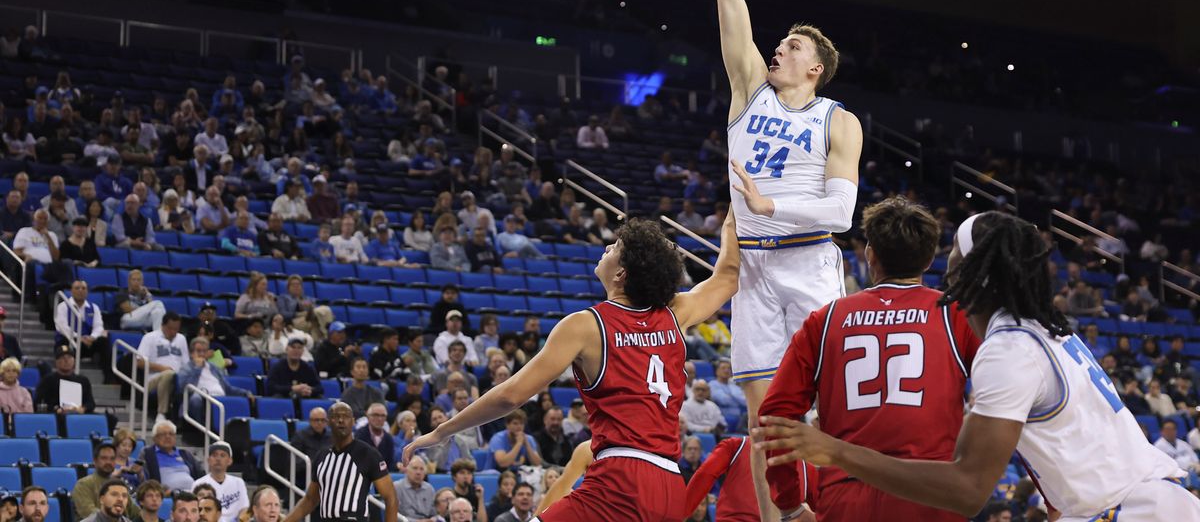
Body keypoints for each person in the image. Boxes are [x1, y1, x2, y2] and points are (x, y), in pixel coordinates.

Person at [753, 211, 1200, 522]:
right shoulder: (1046, 329)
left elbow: (968, 489)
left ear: (974, 278)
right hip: (1140, 500)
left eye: (952, 271)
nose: (944, 284)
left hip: (1124, 509)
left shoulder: (1009, 349)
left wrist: (833, 453)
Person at [696, 0, 862, 521]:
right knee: (765, 421)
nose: (778, 51)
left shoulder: (837, 119)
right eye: (781, 43)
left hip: (815, 260)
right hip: (759, 272)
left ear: (814, 68)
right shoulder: (747, 94)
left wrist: (771, 206)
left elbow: (845, 212)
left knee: (833, 414)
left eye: (791, 47)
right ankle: (783, 519)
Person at [405, 215, 742, 522]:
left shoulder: (585, 326)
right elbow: (727, 277)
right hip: (670, 483)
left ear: (622, 274)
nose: (608, 246)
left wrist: (442, 431)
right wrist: (733, 214)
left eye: (616, 247)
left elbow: (511, 396)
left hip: (620, 480)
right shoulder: (675, 313)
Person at [751, 197, 980, 521]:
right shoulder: (955, 315)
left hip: (847, 494)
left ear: (870, 255)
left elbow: (774, 415)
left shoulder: (825, 319)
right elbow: (1006, 392)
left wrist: (789, 504)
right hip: (929, 492)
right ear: (930, 260)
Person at [280, 402, 399, 522]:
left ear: (353, 421)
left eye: (346, 416)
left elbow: (391, 497)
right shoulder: (322, 456)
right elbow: (310, 499)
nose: (341, 420)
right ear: (329, 422)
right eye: (336, 416)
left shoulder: (368, 454)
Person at [684, 437, 817, 522]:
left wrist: (680, 514)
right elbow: (828, 513)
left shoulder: (736, 445)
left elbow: (704, 476)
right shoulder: (806, 469)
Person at [176, 338, 253, 423]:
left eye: (204, 351)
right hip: (202, 398)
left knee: (242, 401)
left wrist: (245, 393)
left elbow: (227, 388)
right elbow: (184, 389)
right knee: (195, 399)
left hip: (220, 398)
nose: (201, 354)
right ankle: (202, 429)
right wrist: (197, 368)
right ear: (191, 353)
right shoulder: (186, 368)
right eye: (198, 351)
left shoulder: (214, 367)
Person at [137, 312, 187, 425]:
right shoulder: (150, 337)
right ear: (162, 325)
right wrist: (162, 368)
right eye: (170, 329)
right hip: (153, 380)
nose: (173, 332)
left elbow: (186, 363)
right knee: (168, 374)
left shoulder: (181, 339)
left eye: (176, 329)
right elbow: (139, 362)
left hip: (178, 378)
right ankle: (162, 413)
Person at [192, 442, 249, 522]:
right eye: (214, 455)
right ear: (208, 460)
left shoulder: (238, 482)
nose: (218, 459)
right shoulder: (198, 484)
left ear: (230, 461)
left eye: (222, 455)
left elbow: (245, 509)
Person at [143, 420, 203, 494]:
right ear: (155, 438)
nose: (168, 437)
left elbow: (201, 475)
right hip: (166, 495)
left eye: (171, 434)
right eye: (163, 434)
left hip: (192, 494)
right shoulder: (148, 454)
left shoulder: (185, 454)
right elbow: (144, 478)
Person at [34, 344, 95, 413]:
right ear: (56, 362)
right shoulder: (48, 380)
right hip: (55, 416)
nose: (66, 361)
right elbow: (39, 402)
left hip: (78, 416)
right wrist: (55, 409)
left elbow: (90, 402)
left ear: (74, 360)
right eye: (63, 358)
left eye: (69, 357)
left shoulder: (83, 381)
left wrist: (83, 408)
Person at [74, 444, 128, 520]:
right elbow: (89, 513)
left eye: (112, 458)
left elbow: (135, 511)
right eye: (104, 458)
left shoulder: (119, 485)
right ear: (95, 461)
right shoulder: (83, 484)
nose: (108, 462)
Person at [356, 402, 399, 471]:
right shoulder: (360, 435)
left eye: (383, 416)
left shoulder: (388, 438)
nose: (379, 419)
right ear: (368, 416)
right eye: (375, 415)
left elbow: (390, 463)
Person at [394, 455, 437, 522]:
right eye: (415, 468)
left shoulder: (429, 489)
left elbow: (434, 513)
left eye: (421, 469)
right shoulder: (397, 487)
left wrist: (433, 519)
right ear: (407, 470)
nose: (418, 472)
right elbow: (394, 516)